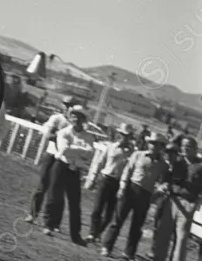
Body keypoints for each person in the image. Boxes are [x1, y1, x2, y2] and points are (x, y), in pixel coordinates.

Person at [101, 133, 170, 261]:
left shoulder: (163, 165)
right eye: (151, 143)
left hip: (146, 194)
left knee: (137, 225)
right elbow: (128, 170)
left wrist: (160, 189)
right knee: (118, 220)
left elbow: (164, 181)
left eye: (156, 144)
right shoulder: (138, 155)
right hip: (131, 188)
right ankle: (106, 246)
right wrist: (122, 187)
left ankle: (129, 253)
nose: (153, 146)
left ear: (161, 147)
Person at [42, 105, 95, 243]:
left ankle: (75, 235)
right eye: (73, 115)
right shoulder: (64, 132)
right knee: (53, 196)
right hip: (61, 166)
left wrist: (74, 149)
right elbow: (64, 149)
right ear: (70, 117)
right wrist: (80, 151)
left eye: (79, 116)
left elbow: (90, 154)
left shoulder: (89, 137)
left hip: (74, 171)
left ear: (83, 119)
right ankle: (48, 225)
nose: (75, 119)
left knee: (75, 204)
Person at [26, 95, 76, 224]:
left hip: (64, 159)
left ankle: (52, 221)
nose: (68, 108)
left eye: (71, 106)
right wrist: (63, 139)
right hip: (52, 154)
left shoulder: (75, 125)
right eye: (66, 105)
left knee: (57, 190)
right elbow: (48, 135)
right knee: (42, 185)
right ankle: (33, 214)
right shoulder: (57, 118)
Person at [158, 137, 202, 261]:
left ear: (195, 148)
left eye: (188, 146)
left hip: (188, 202)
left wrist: (197, 202)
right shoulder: (176, 162)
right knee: (164, 233)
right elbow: (166, 177)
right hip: (173, 199)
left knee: (182, 238)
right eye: (183, 146)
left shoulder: (200, 165)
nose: (185, 149)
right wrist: (164, 185)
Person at [84, 123, 135, 242]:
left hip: (118, 183)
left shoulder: (131, 152)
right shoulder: (111, 147)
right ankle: (92, 233)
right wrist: (93, 178)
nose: (124, 138)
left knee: (109, 214)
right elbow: (100, 162)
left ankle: (98, 232)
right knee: (97, 208)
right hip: (106, 179)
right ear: (119, 135)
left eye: (127, 136)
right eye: (123, 135)